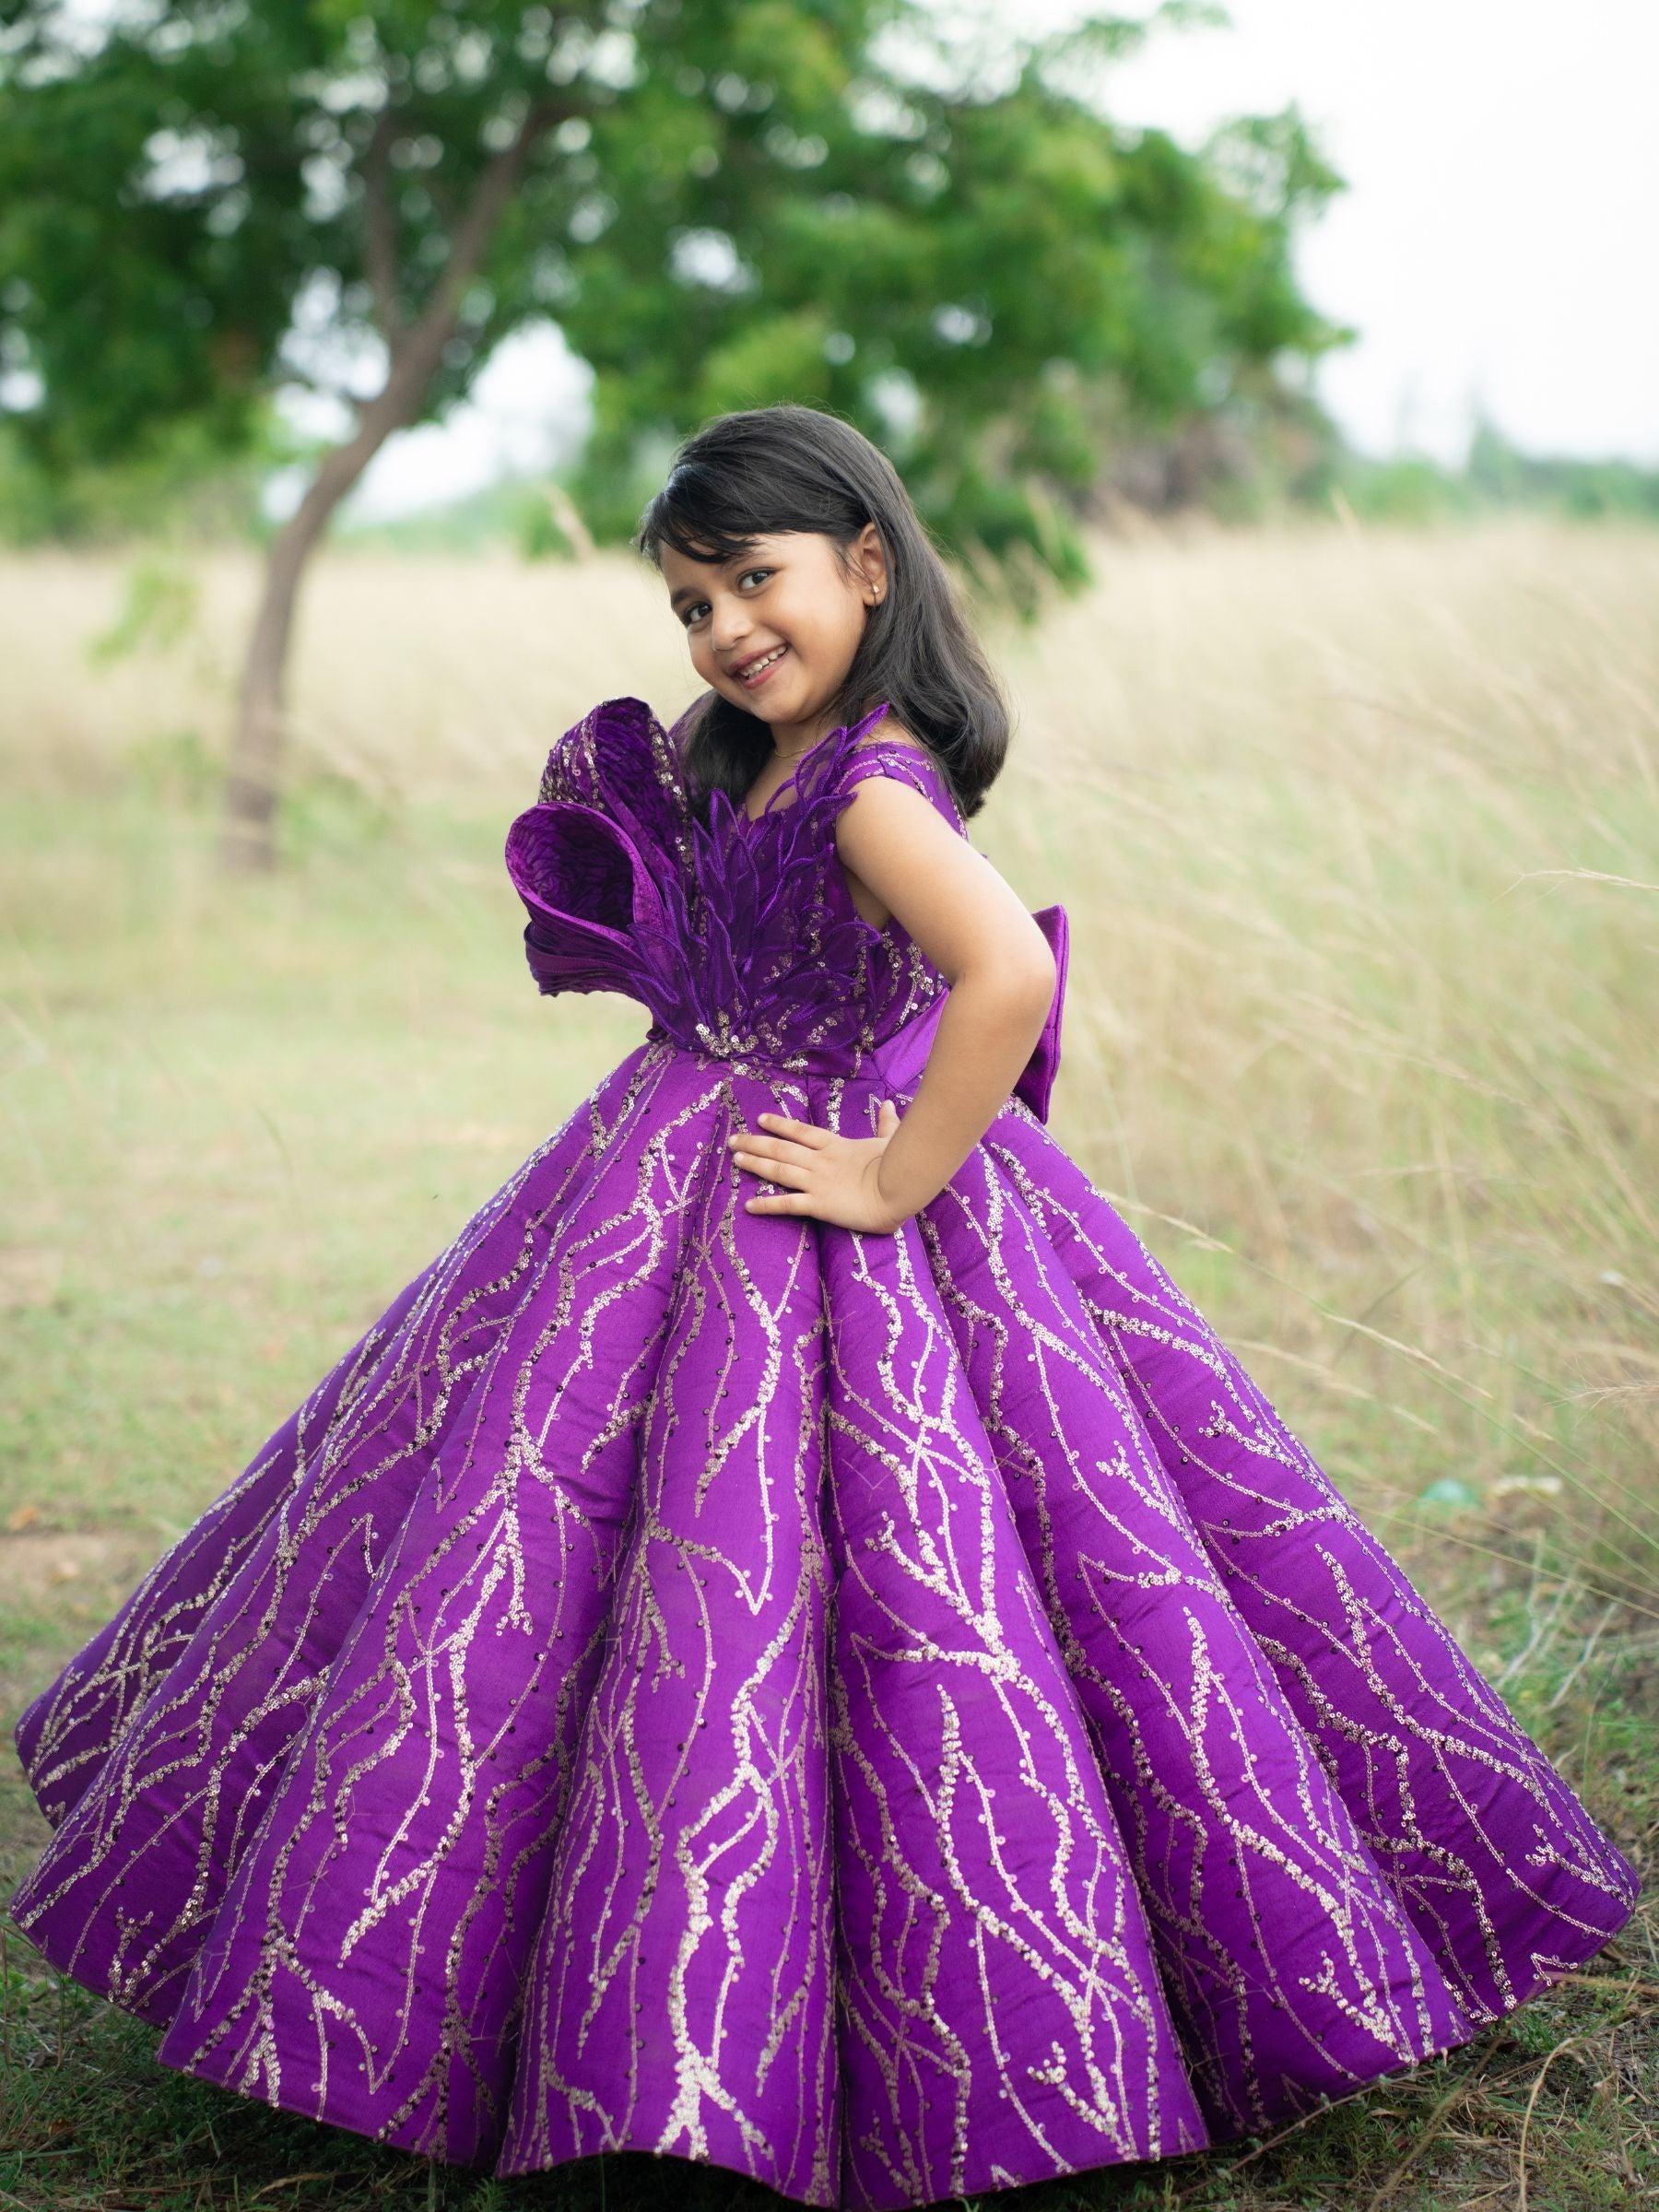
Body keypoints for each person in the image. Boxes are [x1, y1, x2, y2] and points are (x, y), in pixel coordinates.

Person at [7, 404, 1639, 2211]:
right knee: (560, 1556)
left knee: (897, 1577)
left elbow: (1003, 968)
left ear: (869, 563)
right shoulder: (757, 763)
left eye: (756, 582)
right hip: (648, 1198)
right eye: (694, 602)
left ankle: (922, 2011)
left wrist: (891, 1176)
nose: (724, 630)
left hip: (832, 1211)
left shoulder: (870, 779)